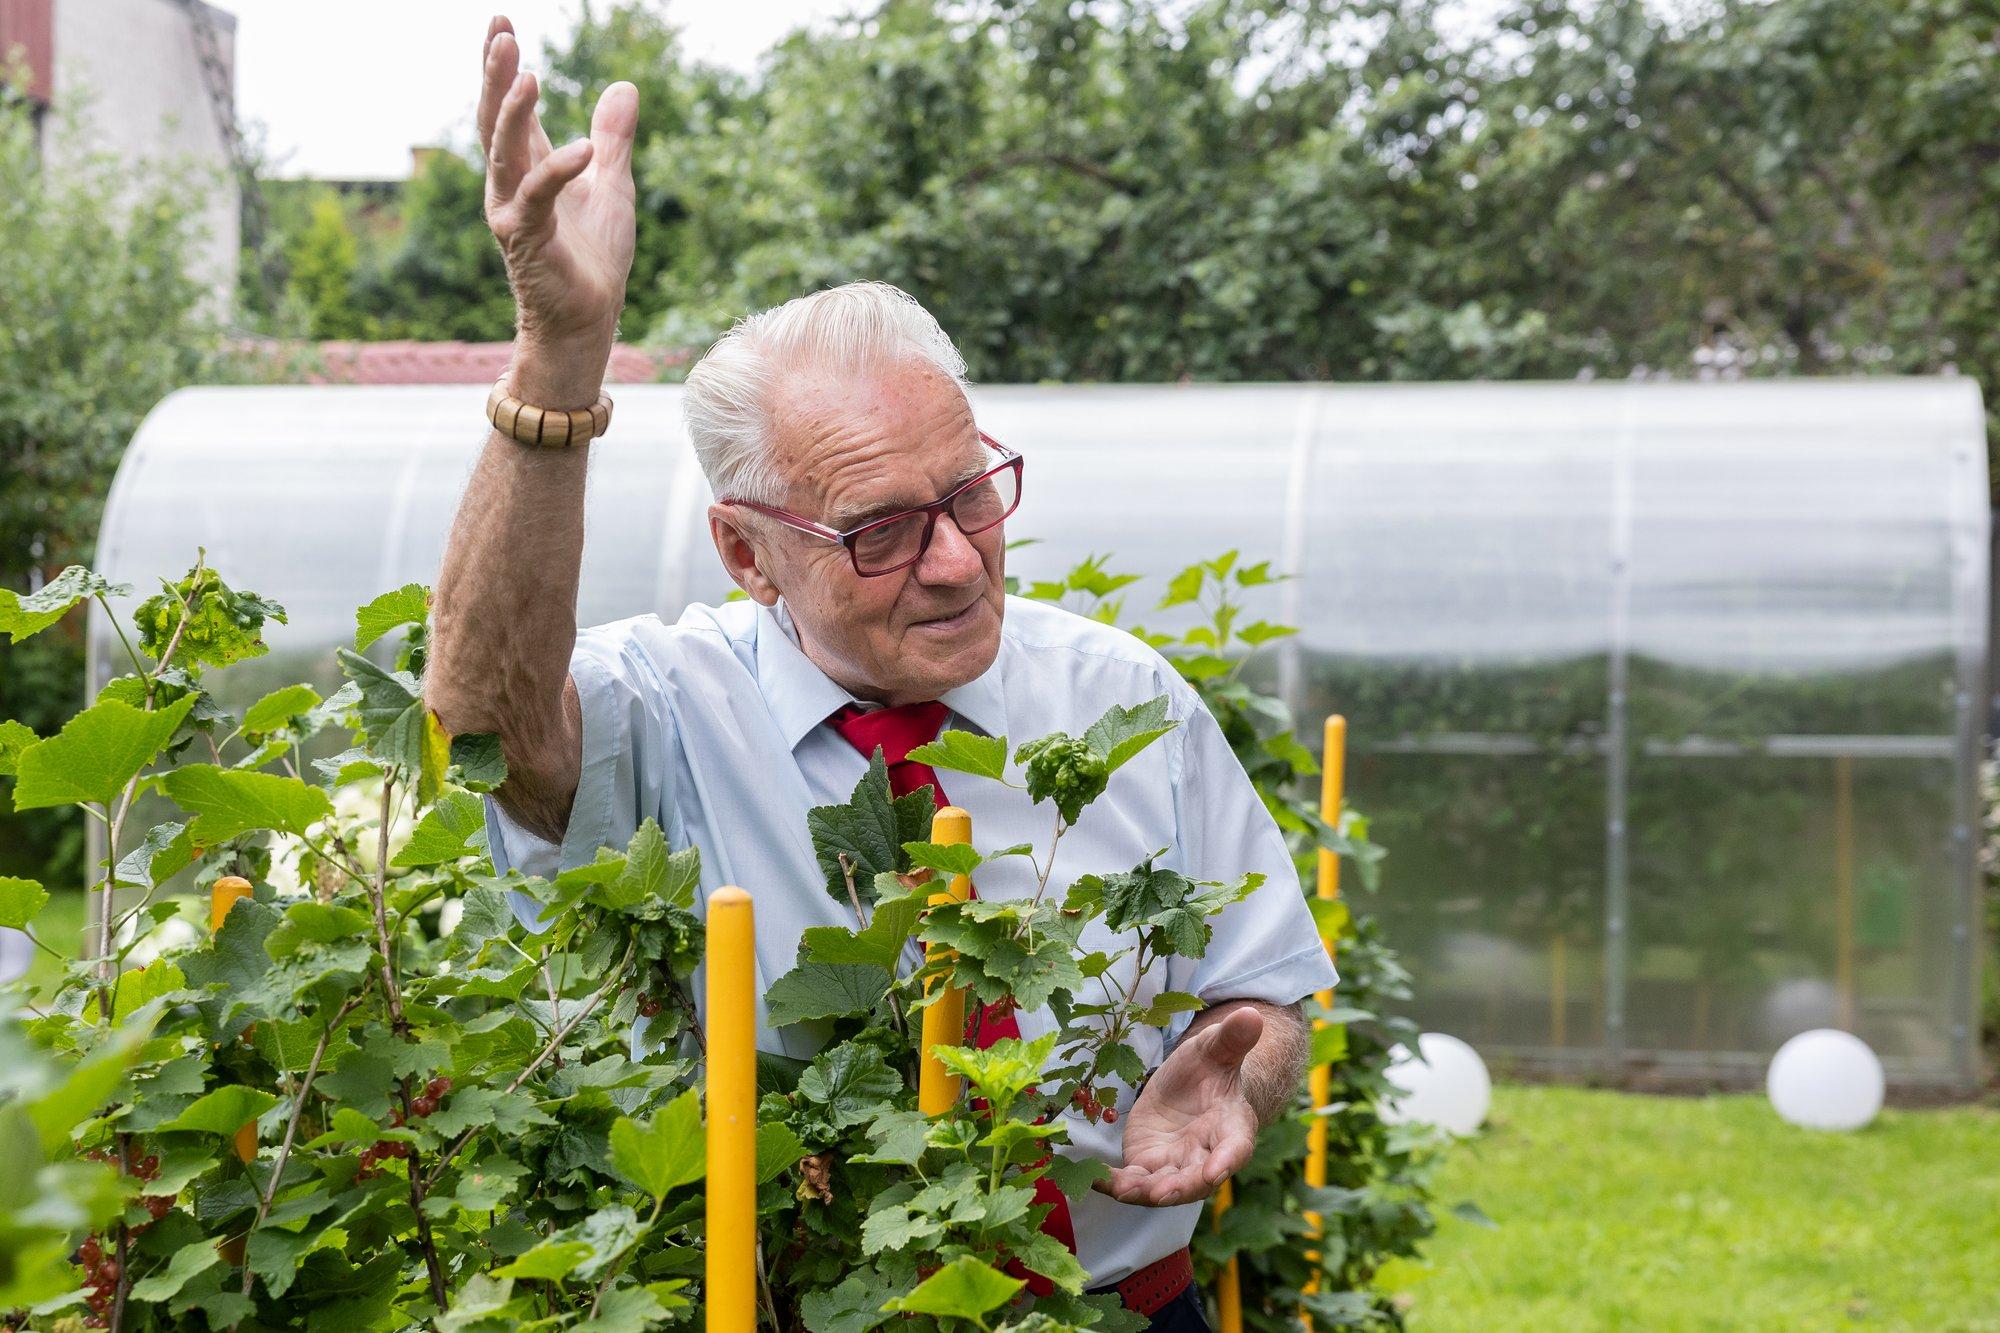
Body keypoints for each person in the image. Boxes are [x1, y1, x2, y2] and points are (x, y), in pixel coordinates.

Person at [424, 17, 1336, 1331]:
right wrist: (560, 352)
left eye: (974, 490)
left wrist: (1234, 1065)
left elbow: (1265, 981)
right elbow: (484, 731)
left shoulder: (1123, 702)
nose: (961, 560)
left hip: (1125, 1309)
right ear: (746, 552)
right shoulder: (669, 711)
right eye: (884, 530)